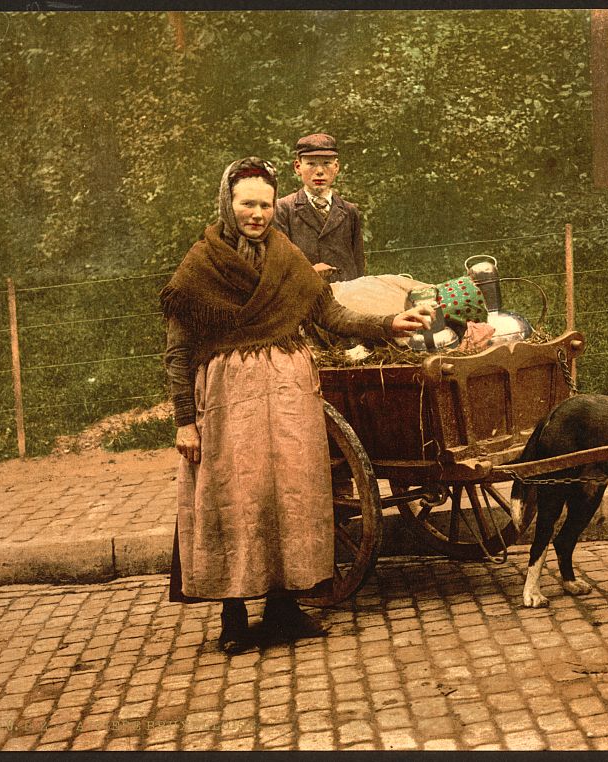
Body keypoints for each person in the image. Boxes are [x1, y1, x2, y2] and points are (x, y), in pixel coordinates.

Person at [161, 156, 430, 654]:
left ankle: (285, 607)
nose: (258, 214)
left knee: (292, 494)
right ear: (228, 203)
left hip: (288, 395)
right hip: (227, 398)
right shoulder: (200, 265)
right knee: (236, 500)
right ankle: (234, 616)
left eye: (265, 204)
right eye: (247, 204)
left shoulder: (286, 256)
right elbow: (178, 352)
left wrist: (389, 323)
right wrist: (184, 421)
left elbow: (330, 312)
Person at [274, 133, 364, 283]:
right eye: (311, 164)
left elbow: (359, 264)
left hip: (347, 295)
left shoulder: (349, 211)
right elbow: (280, 264)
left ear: (336, 167)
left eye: (327, 163)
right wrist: (309, 273)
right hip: (304, 295)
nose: (319, 171)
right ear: (297, 167)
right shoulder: (283, 209)